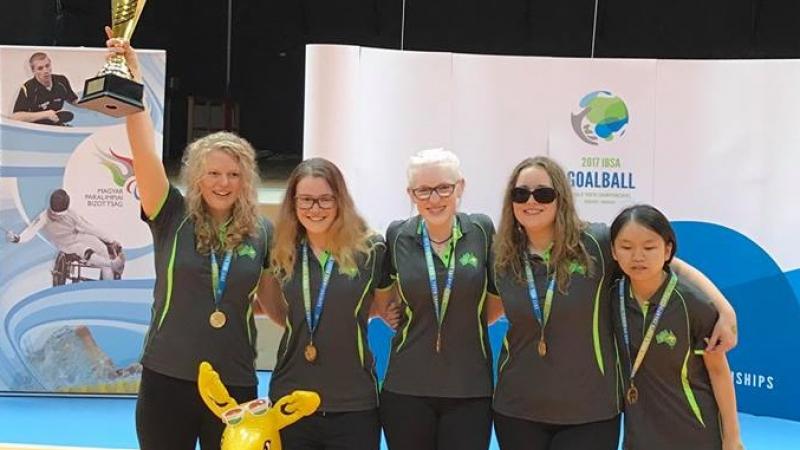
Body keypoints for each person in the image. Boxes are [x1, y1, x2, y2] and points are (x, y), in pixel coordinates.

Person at [489, 156, 738, 450]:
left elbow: (670, 265)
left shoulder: (595, 243)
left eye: (543, 193)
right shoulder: (501, 255)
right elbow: (488, 312)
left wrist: (725, 309)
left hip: (590, 411)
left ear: (561, 198)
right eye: (521, 194)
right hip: (517, 408)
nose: (531, 201)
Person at [109, 29, 273, 450]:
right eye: (214, 172)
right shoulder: (170, 212)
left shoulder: (262, 230)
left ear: (246, 179)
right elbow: (143, 151)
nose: (223, 182)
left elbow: (274, 305)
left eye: (234, 174)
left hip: (234, 382)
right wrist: (131, 77)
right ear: (197, 174)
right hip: (168, 376)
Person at [260, 157, 391, 450]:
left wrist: (341, 320)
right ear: (293, 203)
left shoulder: (372, 249)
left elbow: (382, 305)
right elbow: (273, 306)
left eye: (324, 200)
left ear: (340, 200)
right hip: (291, 398)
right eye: (306, 200)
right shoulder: (280, 249)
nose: (315, 209)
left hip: (354, 401)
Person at [378, 148, 497, 450]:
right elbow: (382, 295)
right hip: (406, 387)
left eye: (444, 188)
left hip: (470, 387)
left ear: (460, 187)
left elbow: (495, 303)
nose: (434, 199)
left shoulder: (482, 230)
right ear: (411, 193)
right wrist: (390, 313)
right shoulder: (397, 235)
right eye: (423, 190)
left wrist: (460, 322)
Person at [609, 204, 743, 450]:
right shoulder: (611, 296)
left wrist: (732, 437)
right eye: (626, 247)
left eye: (649, 247)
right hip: (639, 433)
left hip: (694, 431)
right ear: (614, 252)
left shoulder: (692, 303)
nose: (637, 256)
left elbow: (719, 372)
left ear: (667, 249)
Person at [5, 188, 125, 280]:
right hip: (65, 245)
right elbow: (31, 230)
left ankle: (109, 283)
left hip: (77, 237)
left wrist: (110, 240)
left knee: (102, 248)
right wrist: (18, 238)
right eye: (54, 213)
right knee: (84, 249)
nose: (56, 216)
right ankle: (112, 264)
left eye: (59, 214)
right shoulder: (44, 216)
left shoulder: (71, 214)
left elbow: (89, 228)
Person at [11, 52, 77, 125]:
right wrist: (45, 114)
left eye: (47, 66)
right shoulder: (28, 88)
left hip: (58, 126)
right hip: (38, 129)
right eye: (40, 68)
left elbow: (74, 101)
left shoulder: (62, 81)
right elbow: (15, 117)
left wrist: (90, 102)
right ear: (33, 71)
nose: (45, 71)